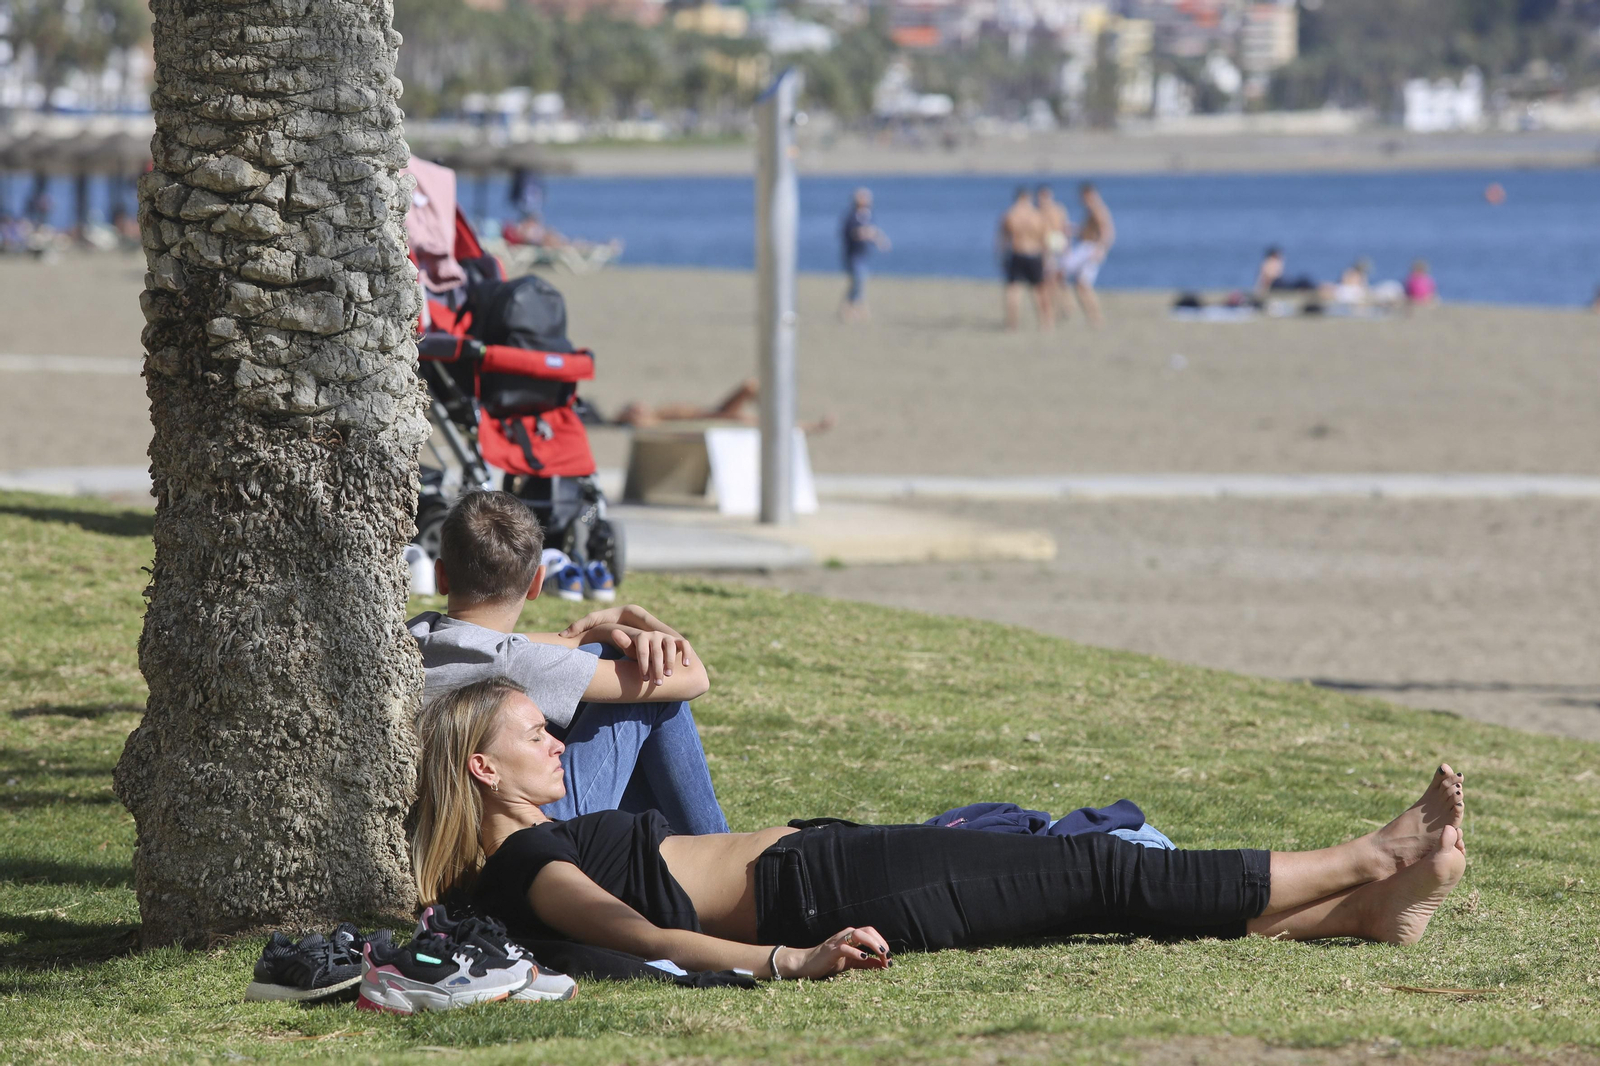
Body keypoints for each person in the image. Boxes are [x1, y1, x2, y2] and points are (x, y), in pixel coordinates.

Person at [413, 677, 1469, 982]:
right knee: (1096, 869)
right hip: (826, 888)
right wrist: (789, 961)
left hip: (828, 872)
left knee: (1079, 897)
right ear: (481, 768)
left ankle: (1360, 914)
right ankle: (1369, 857)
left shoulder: (512, 859)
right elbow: (640, 935)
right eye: (533, 733)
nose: (557, 740)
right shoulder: (528, 857)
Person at [408, 491, 729, 835]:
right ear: (537, 583)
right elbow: (694, 677)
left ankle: (666, 848)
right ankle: (717, 846)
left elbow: (528, 642)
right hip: (536, 828)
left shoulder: (417, 635)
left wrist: (592, 635)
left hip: (447, 823)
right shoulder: (520, 664)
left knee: (602, 655)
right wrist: (638, 617)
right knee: (654, 686)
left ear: (441, 576)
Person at [613, 378, 834, 435]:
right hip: (712, 418)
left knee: (751, 393)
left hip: (713, 413)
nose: (640, 406)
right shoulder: (652, 420)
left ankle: (802, 424)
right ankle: (809, 426)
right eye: (634, 409)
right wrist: (626, 417)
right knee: (750, 393)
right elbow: (634, 423)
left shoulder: (657, 412)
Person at [1059, 182, 1114, 327]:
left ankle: (1072, 308)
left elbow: (1107, 231)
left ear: (1089, 195)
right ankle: (1094, 318)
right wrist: (1074, 229)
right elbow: (1089, 230)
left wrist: (1101, 249)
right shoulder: (1091, 209)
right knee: (1082, 286)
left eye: (1084, 197)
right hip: (1088, 247)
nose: (1082, 200)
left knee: (1061, 272)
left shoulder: (1097, 209)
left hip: (1090, 249)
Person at [998, 186, 1051, 330]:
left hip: (1017, 254)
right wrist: (1046, 258)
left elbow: (1002, 241)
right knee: (1039, 290)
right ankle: (1045, 322)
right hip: (1034, 254)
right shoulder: (1037, 215)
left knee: (1013, 290)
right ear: (1028, 198)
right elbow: (1045, 239)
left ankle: (1012, 324)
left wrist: (1002, 258)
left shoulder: (1009, 214)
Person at [839, 188, 890, 322]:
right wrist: (866, 233)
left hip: (864, 254)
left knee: (860, 282)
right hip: (853, 255)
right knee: (858, 280)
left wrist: (881, 241)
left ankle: (854, 309)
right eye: (863, 198)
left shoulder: (868, 215)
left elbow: (874, 231)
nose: (867, 200)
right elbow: (850, 233)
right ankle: (853, 309)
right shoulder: (851, 216)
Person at [1036, 185, 1071, 317]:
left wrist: (1067, 246)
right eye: (1041, 197)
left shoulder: (1058, 209)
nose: (1043, 200)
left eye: (1045, 196)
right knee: (1050, 278)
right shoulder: (1039, 211)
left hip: (1058, 243)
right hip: (1048, 244)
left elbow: (1065, 227)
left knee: (1059, 278)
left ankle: (1065, 305)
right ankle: (1056, 306)